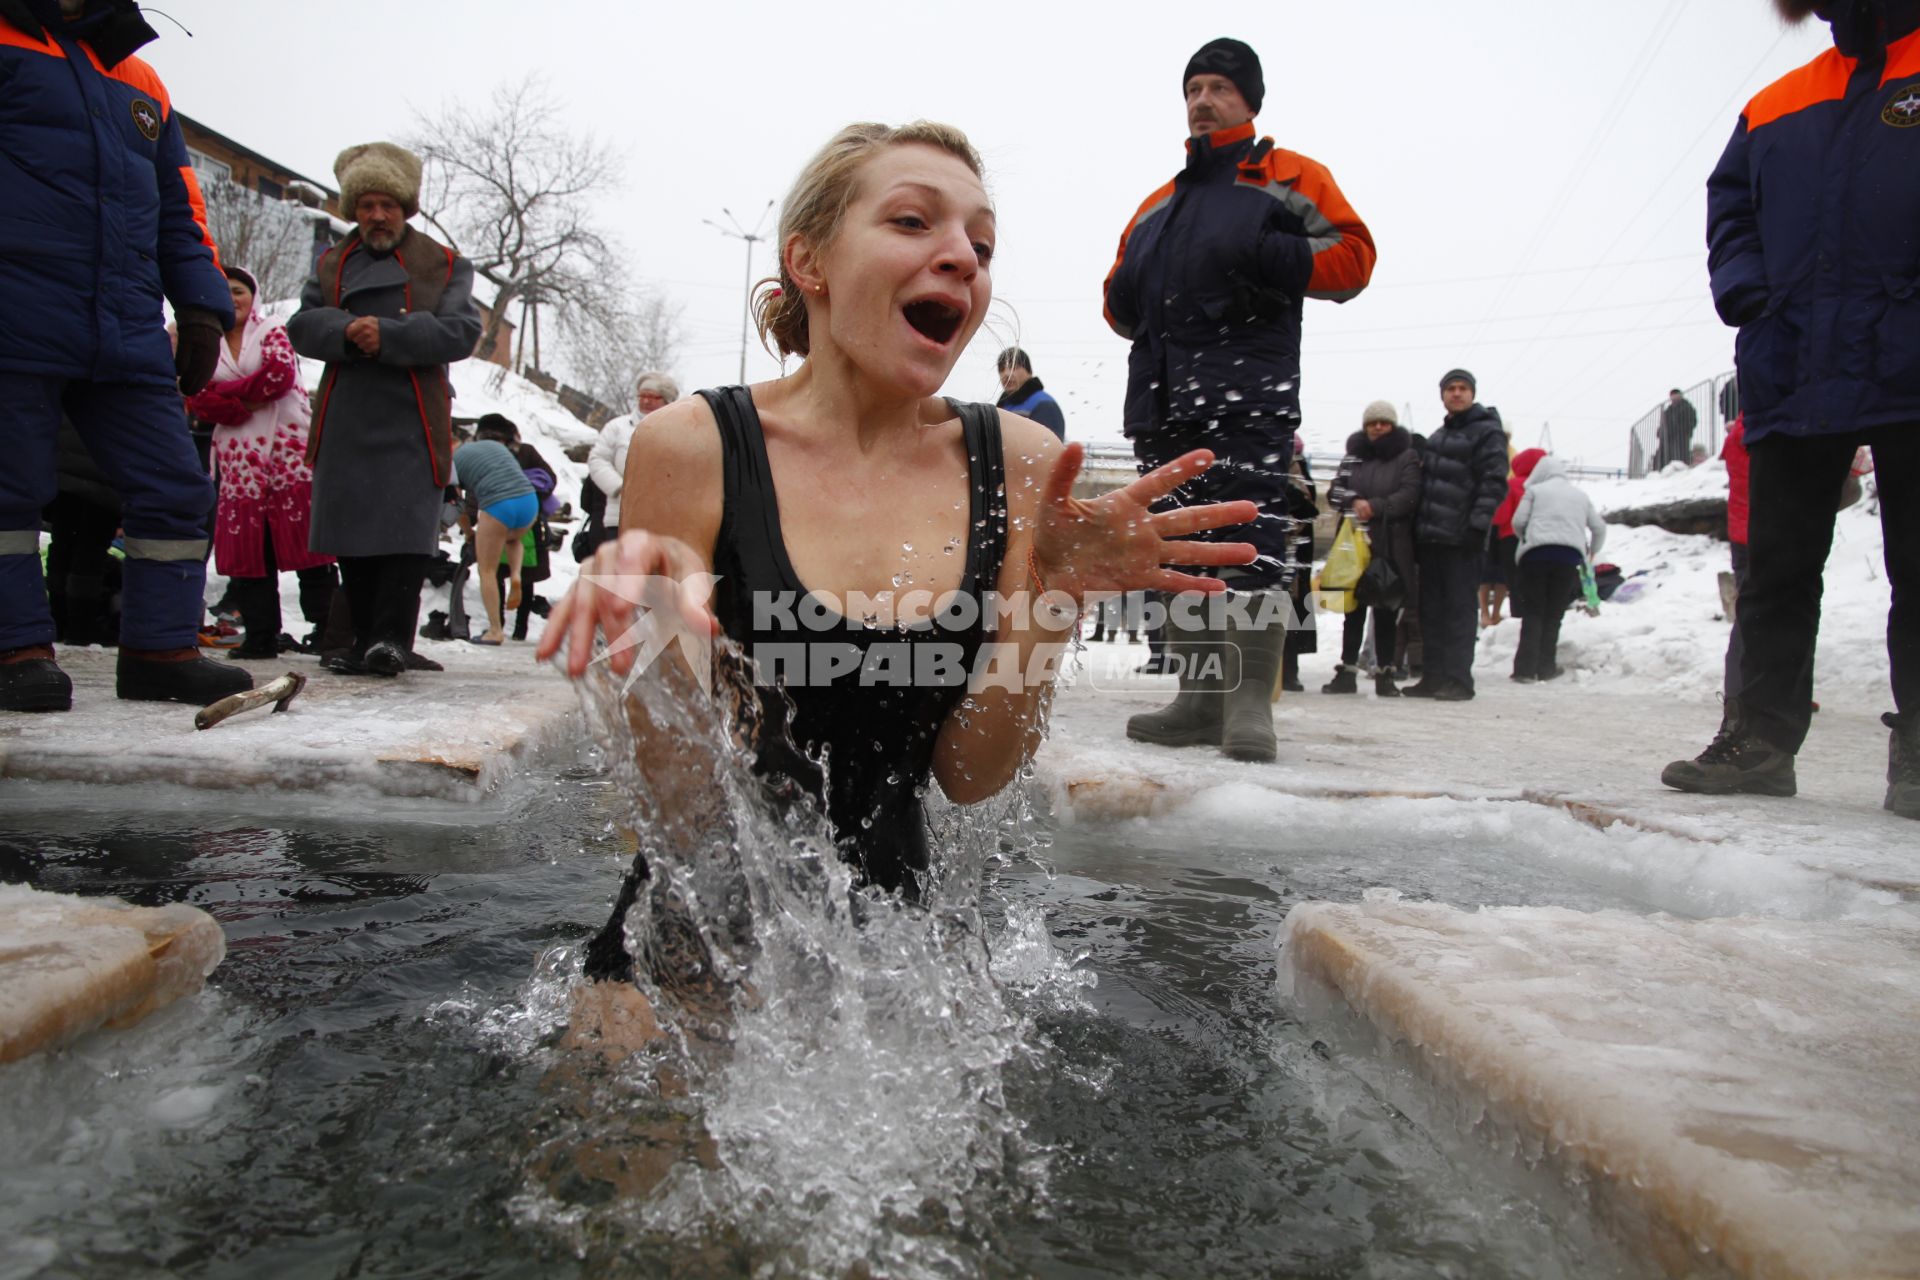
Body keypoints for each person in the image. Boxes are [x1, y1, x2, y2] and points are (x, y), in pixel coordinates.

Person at [535, 120, 1256, 987]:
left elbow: (972, 775)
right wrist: (649, 636)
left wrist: (1052, 596)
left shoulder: (1019, 460)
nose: (962, 256)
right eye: (913, 222)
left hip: (899, 957)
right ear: (811, 262)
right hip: (699, 935)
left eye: (980, 243)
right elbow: (683, 805)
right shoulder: (694, 443)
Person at [1664, 0, 1919, 820]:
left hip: (1911, 354)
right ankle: (1760, 741)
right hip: (1794, 358)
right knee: (1775, 568)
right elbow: (1729, 208)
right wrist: (1748, 292)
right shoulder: (1776, 102)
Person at [1107, 36, 1376, 761]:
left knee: (1248, 543)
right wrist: (1124, 294)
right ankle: (1197, 702)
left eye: (1219, 88)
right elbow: (1117, 297)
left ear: (1248, 101)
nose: (1203, 100)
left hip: (1247, 394)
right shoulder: (1159, 202)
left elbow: (1354, 259)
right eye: (1193, 87)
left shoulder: (1289, 175)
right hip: (1164, 402)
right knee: (1181, 547)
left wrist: (1279, 258)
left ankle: (1249, 703)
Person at [0, 0, 255, 713]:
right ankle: (14, 650)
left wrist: (201, 306)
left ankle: (159, 652)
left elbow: (181, 211)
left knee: (176, 488)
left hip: (125, 324)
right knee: (8, 491)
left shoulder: (139, 78)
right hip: (15, 313)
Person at [288, 141, 483, 678]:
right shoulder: (331, 263)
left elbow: (463, 331)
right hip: (348, 416)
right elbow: (302, 325)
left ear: (406, 208)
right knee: (352, 531)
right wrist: (347, 331)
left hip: (413, 419)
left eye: (387, 205)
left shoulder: (444, 265)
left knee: (404, 531)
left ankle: (391, 639)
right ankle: (362, 638)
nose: (377, 216)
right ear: (354, 209)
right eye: (367, 205)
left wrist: (391, 335)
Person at [185, 266, 337, 659]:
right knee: (249, 553)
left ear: (252, 296)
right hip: (240, 463)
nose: (231, 298)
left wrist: (225, 393)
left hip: (289, 458)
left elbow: (279, 377)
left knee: (310, 550)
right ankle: (261, 634)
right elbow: (197, 396)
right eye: (223, 290)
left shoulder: (272, 329)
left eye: (238, 290)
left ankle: (328, 630)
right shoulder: (207, 342)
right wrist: (240, 402)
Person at [1404, 369, 1509, 701]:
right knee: (1431, 611)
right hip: (1432, 537)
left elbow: (1493, 481)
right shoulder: (1438, 437)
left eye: (1463, 388)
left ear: (1472, 394)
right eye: (1451, 388)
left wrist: (1478, 525)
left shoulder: (1487, 432)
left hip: (1463, 538)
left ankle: (1459, 679)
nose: (1457, 393)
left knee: (1460, 610)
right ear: (1442, 395)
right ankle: (1433, 676)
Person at [1324, 400, 1422, 697]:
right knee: (1352, 610)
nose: (1378, 427)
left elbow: (1410, 494)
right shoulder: (1353, 456)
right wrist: (1354, 501)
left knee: (1385, 609)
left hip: (1390, 544)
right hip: (1354, 544)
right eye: (1372, 422)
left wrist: (1376, 506)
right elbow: (1335, 491)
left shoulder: (1407, 457)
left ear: (1392, 426)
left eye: (1384, 422)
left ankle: (1385, 674)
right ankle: (1347, 671)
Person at [1509, 456, 1605, 683]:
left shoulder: (1535, 491)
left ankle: (1524, 670)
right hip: (1567, 559)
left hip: (1535, 557)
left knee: (1533, 612)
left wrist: (1525, 538)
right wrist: (1591, 553)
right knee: (1553, 615)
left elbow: (1518, 521)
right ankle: (1545, 667)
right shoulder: (1580, 496)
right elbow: (1599, 527)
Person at [451, 419, 537, 645]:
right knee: (513, 538)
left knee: (487, 570)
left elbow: (456, 503)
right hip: (529, 502)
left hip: (499, 505)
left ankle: (495, 630)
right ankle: (516, 574)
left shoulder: (454, 461)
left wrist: (469, 532)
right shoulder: (498, 448)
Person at [587, 371, 677, 552]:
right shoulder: (617, 427)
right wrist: (621, 488)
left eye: (653, 397)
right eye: (642, 395)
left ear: (666, 400)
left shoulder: (677, 429)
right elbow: (597, 459)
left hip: (663, 518)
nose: (646, 401)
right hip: (620, 515)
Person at [1487, 447, 1546, 626]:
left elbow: (1501, 517)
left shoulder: (1511, 485)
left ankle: (1519, 623)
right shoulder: (1547, 488)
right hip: (1541, 541)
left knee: (1516, 586)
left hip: (1511, 541)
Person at [994, 348, 1066, 440]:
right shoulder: (1001, 406)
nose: (1006, 373)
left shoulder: (1044, 404)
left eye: (1013, 367)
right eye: (1001, 369)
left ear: (1029, 372)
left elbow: (1047, 448)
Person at [1656, 389, 1698, 470]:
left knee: (1680, 455)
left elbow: (1692, 422)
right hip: (1668, 438)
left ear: (1680, 395)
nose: (1673, 397)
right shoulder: (1668, 410)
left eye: (1675, 395)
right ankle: (1665, 470)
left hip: (1681, 437)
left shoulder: (1687, 407)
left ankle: (1681, 470)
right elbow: (1663, 423)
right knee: (1666, 456)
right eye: (1672, 395)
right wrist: (1660, 432)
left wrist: (1682, 430)